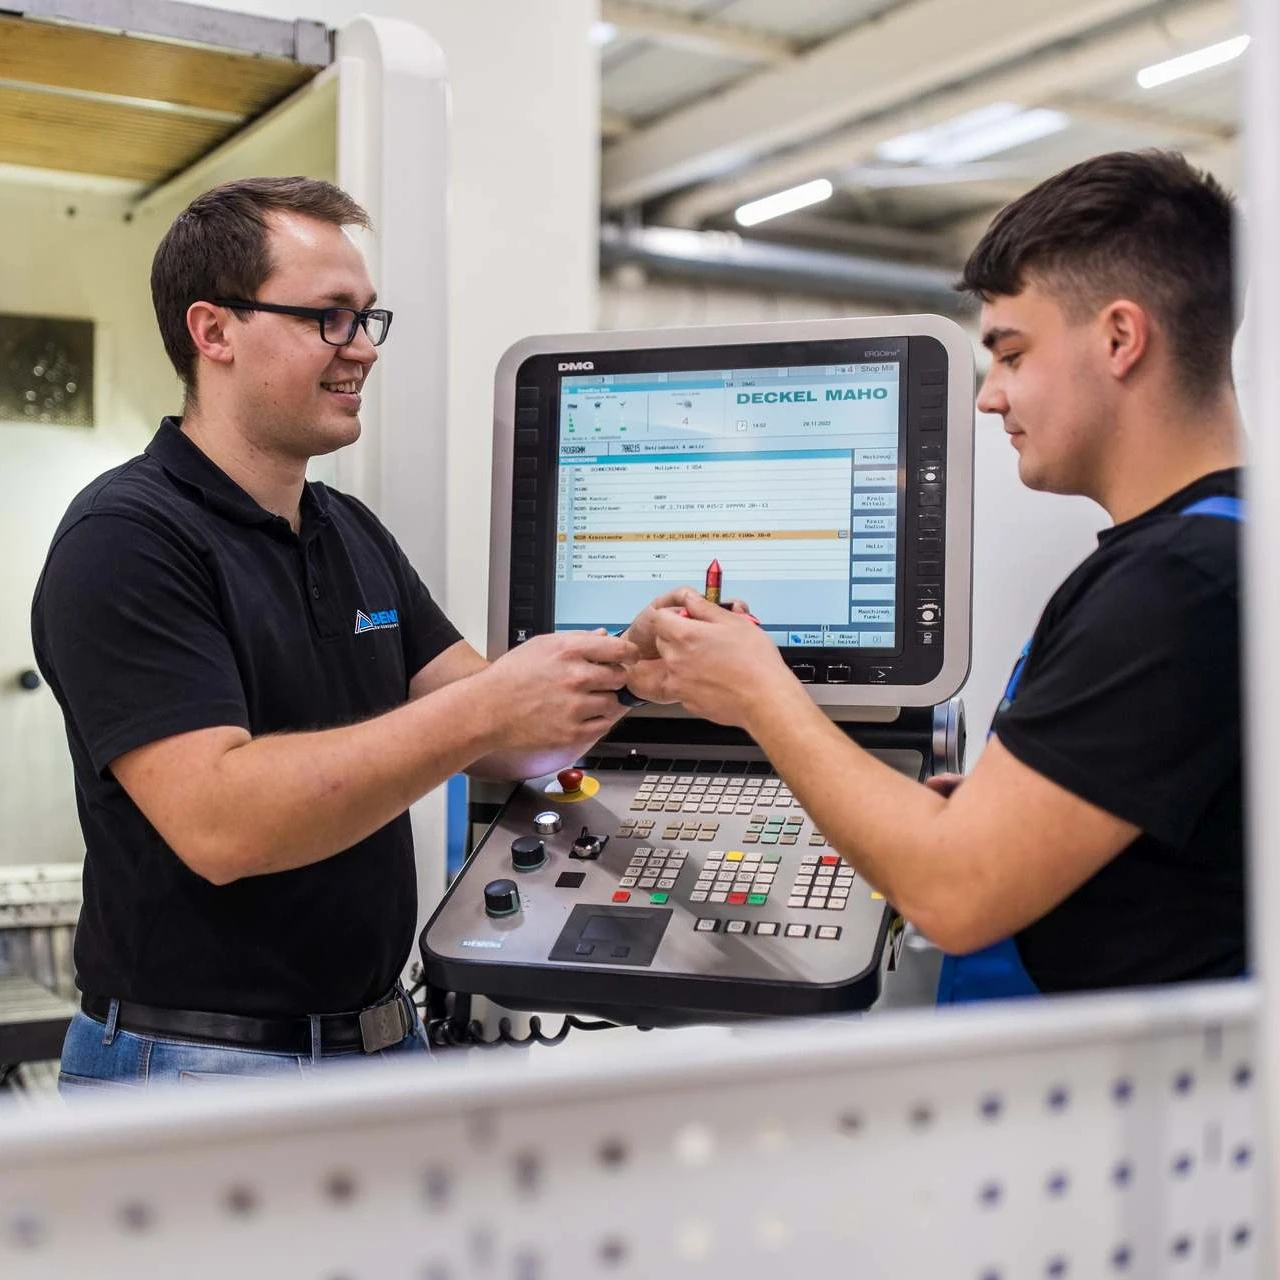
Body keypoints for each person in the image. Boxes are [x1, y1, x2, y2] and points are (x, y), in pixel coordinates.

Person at [33, 176, 665, 1087]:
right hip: (196, 1064)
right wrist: (491, 707)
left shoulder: (348, 530)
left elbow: (504, 729)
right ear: (213, 332)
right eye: (331, 317)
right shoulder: (127, 539)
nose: (363, 350)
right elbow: (221, 822)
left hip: (377, 1042)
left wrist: (634, 665)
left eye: (370, 319)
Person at [636, 150, 1246, 998]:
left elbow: (955, 897)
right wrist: (1007, 803)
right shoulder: (1207, 553)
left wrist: (759, 694)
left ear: (1119, 337)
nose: (990, 396)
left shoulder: (1181, 583)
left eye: (1012, 353)